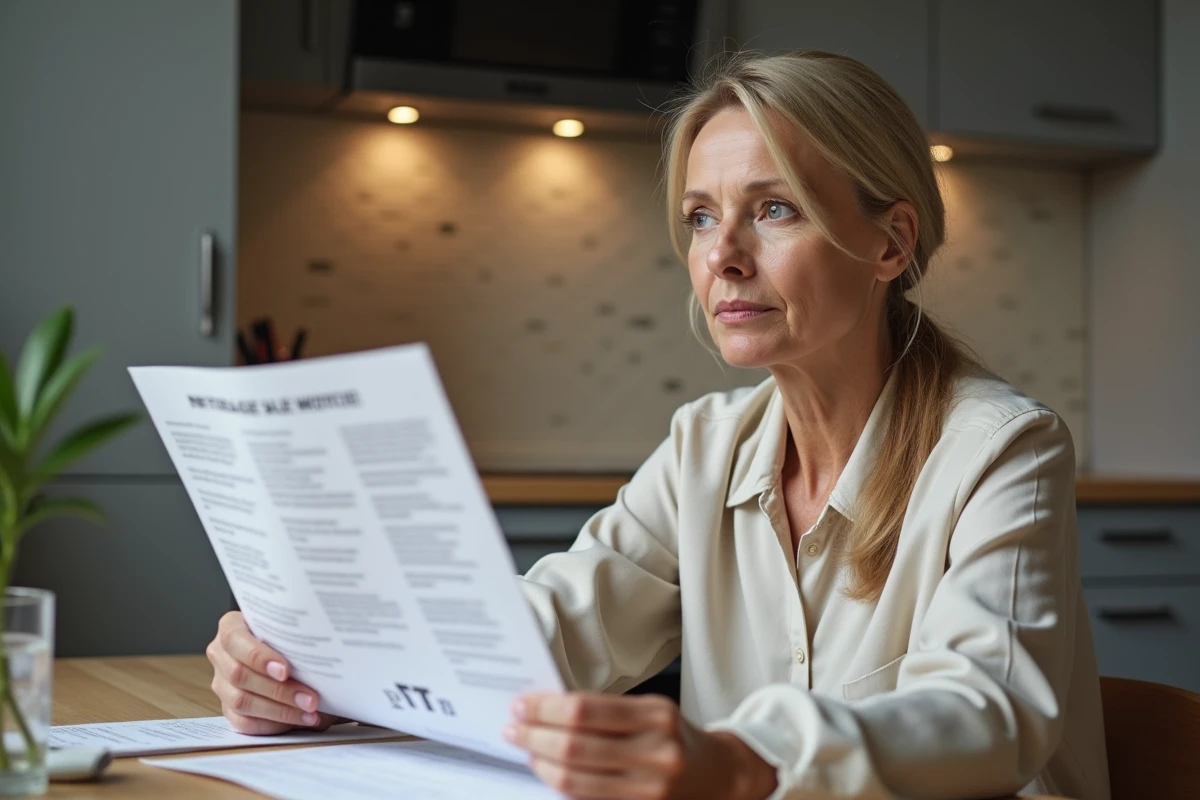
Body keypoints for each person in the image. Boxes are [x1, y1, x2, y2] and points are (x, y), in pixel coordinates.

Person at [205, 51, 1110, 799]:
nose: (722, 255)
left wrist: (742, 760)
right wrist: (311, 666)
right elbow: (546, 632)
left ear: (890, 242)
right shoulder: (704, 448)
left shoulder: (1001, 447)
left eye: (774, 207)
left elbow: (986, 713)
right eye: (701, 216)